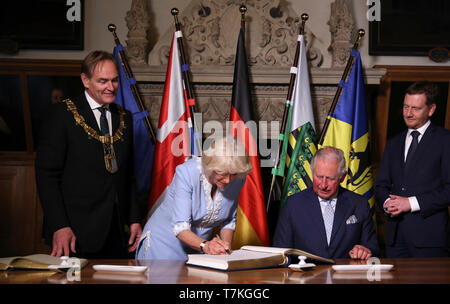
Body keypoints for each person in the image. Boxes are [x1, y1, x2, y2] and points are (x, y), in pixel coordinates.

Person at [35, 50, 143, 259]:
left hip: (116, 231)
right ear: (85, 80)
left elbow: (128, 174)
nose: (110, 87)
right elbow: (46, 176)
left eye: (114, 80)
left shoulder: (125, 117)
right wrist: (60, 225)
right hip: (74, 230)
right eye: (103, 81)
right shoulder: (61, 115)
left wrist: (134, 218)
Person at [136, 136, 252, 260]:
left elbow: (228, 220)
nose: (228, 180)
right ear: (210, 166)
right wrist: (206, 246)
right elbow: (181, 227)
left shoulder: (238, 178)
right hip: (163, 244)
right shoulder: (186, 173)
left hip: (201, 248)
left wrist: (225, 246)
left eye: (233, 174)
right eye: (222, 174)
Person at [375, 81, 450, 258]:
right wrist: (387, 202)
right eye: (406, 107)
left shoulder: (445, 140)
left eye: (415, 108)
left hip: (429, 240)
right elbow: (381, 185)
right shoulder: (394, 143)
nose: (408, 113)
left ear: (430, 110)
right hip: (394, 238)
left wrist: (410, 203)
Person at [273, 146, 379, 260]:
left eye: (330, 179)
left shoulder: (359, 204)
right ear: (312, 172)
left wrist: (365, 250)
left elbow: (372, 247)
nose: (323, 185)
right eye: (319, 177)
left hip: (344, 275)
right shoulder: (293, 204)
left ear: (342, 177)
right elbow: (280, 251)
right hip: (305, 275)